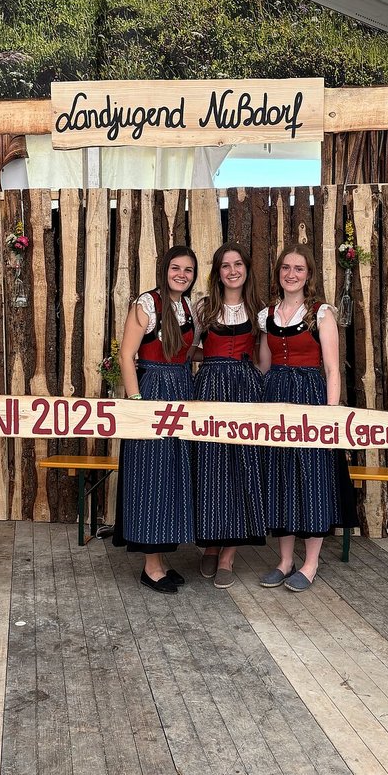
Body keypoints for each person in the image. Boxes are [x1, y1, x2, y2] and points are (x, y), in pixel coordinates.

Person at [114, 246, 198, 593]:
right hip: (153, 390)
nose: (181, 275)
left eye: (188, 270)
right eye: (176, 268)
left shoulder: (188, 306)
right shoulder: (146, 304)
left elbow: (185, 351)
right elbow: (126, 355)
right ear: (164, 269)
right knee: (151, 475)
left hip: (180, 390)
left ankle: (160, 559)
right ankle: (150, 566)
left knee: (172, 476)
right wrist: (137, 402)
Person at [258, 243, 340, 591]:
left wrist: (330, 417)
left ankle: (310, 562)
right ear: (279, 272)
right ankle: (285, 560)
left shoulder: (320, 313)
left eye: (299, 269)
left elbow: (332, 369)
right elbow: (264, 367)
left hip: (309, 398)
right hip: (276, 398)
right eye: (286, 268)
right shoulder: (267, 315)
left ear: (309, 275)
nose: (291, 274)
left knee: (311, 476)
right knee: (282, 476)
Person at [192, 242, 266, 588]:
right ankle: (210, 543)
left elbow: (264, 359)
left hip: (245, 391)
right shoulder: (204, 308)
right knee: (210, 465)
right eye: (225, 265)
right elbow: (188, 348)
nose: (232, 270)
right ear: (217, 272)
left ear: (246, 269)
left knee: (241, 466)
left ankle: (228, 554)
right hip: (209, 389)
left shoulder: (259, 311)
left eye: (238, 264)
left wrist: (256, 385)